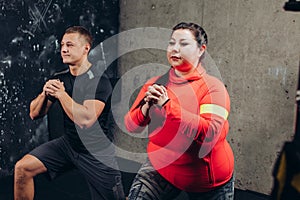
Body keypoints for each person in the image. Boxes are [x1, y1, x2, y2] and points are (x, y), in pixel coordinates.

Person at [124, 22, 234, 200]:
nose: (175, 49)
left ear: (201, 49)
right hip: (161, 167)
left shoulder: (213, 88)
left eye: (183, 44)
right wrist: (146, 106)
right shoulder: (156, 83)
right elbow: (131, 126)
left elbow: (210, 133)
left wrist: (168, 104)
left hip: (204, 180)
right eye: (171, 43)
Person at [14, 26, 125, 200]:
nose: (64, 49)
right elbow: (34, 114)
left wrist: (61, 94)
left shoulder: (99, 81)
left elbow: (85, 120)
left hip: (96, 152)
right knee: (23, 168)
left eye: (70, 45)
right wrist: (44, 94)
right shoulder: (60, 78)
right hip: (69, 145)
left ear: (86, 48)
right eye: (62, 45)